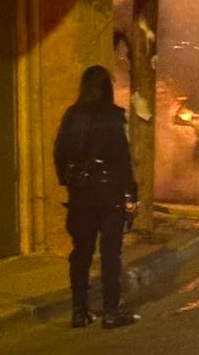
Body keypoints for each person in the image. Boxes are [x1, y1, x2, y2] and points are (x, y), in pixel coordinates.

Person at [54, 65, 139, 328]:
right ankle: (111, 312)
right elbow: (122, 160)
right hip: (108, 193)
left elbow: (59, 153)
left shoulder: (72, 115)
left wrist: (68, 181)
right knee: (110, 254)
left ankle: (79, 311)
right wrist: (131, 195)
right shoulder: (113, 117)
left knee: (81, 253)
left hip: (80, 194)